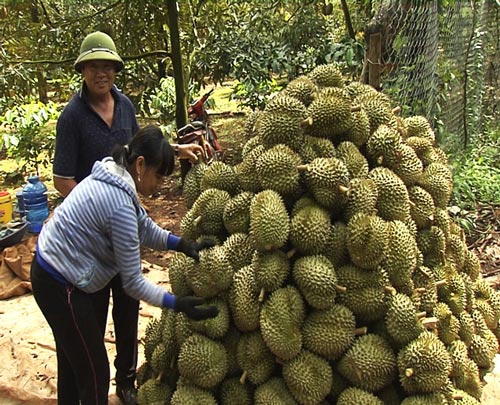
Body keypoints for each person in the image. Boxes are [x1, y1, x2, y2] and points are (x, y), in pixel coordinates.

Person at [52, 31, 203, 404]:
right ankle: (88, 378)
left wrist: (173, 149)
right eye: (94, 66)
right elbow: (62, 179)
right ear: (83, 71)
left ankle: (127, 379)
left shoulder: (125, 106)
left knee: (128, 307)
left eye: (108, 66)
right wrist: (94, 212)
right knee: (90, 312)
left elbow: (140, 150)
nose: (101, 72)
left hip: (123, 219)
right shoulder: (71, 117)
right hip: (95, 236)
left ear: (115, 71)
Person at [31, 125, 218, 405]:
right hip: (60, 282)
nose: (158, 187)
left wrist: (180, 244)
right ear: (141, 165)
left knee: (74, 364)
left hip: (51, 269)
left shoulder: (115, 174)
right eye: (158, 177)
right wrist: (176, 303)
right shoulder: (118, 202)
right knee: (95, 371)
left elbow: (143, 226)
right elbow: (132, 282)